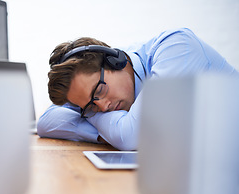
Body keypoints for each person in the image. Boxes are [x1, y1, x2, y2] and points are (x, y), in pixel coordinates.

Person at [37, 28, 239, 150]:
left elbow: (130, 136)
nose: (104, 107)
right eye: (91, 106)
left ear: (116, 61)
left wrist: (90, 116)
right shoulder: (96, 93)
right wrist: (98, 122)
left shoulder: (176, 47)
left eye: (99, 93)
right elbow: (46, 123)